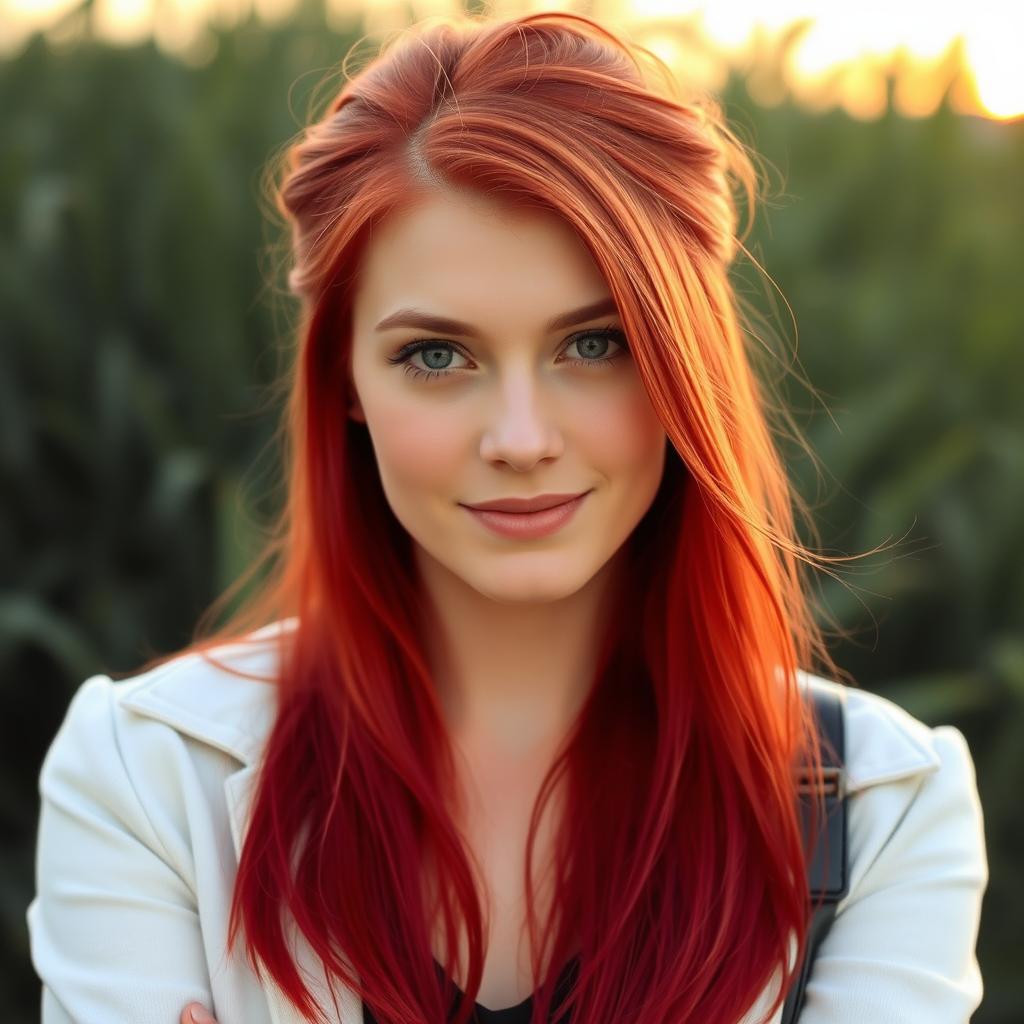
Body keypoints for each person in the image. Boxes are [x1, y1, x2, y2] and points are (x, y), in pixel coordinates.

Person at [26, 10, 987, 1024]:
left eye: (595, 344)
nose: (520, 437)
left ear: (683, 361)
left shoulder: (880, 809)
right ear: (345, 379)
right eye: (436, 356)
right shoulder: (146, 777)